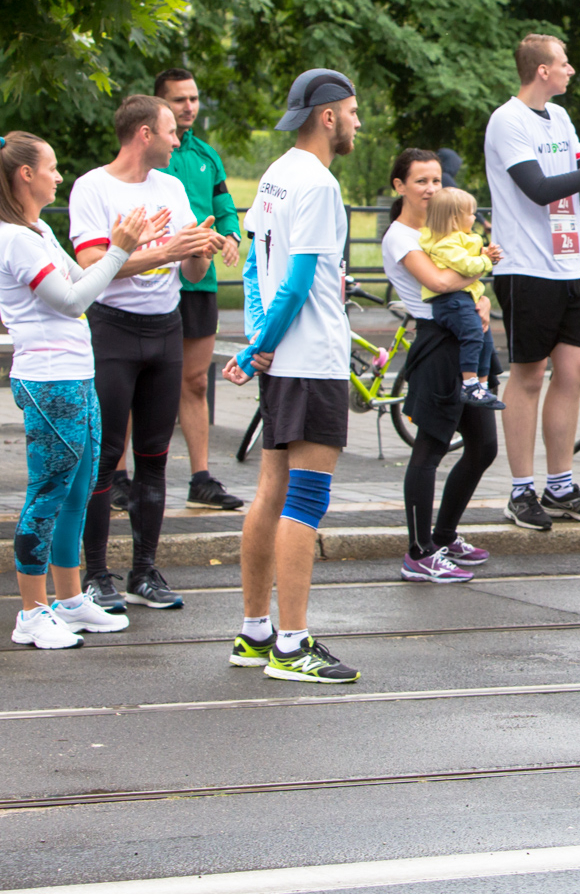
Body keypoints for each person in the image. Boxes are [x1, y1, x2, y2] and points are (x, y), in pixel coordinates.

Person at [221, 68, 363, 682]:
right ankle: (292, 644)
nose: (359, 122)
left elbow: (255, 268)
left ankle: (255, 633)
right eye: (354, 112)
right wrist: (259, 347)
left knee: (270, 491)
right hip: (312, 361)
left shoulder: (277, 173)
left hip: (286, 362)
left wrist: (259, 340)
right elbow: (301, 282)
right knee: (305, 499)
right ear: (327, 116)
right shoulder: (319, 183)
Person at [71, 95, 223, 614]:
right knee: (104, 458)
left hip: (165, 330)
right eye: (170, 132)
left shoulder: (173, 187)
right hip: (112, 332)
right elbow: (94, 266)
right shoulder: (93, 187)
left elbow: (191, 273)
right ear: (143, 134)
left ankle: (144, 570)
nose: (177, 140)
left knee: (155, 457)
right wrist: (165, 251)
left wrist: (201, 250)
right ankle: (95, 575)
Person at [0, 133, 153, 647]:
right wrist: (120, 251)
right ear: (26, 175)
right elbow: (71, 300)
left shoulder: (37, 228)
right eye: (52, 167)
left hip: (74, 374)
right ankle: (31, 612)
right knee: (47, 492)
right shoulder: (16, 239)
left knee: (80, 488)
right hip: (49, 381)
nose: (59, 176)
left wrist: (122, 250)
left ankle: (67, 601)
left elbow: (85, 279)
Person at [486, 34, 580, 530]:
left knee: (573, 370)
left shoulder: (560, 118)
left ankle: (561, 486)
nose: (571, 69)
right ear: (542, 71)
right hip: (524, 269)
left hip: (565, 265)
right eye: (564, 62)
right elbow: (537, 190)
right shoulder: (507, 120)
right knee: (528, 376)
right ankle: (519, 492)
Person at [382, 150, 500, 584]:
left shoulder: (446, 229)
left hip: (467, 342)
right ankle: (418, 552)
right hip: (437, 347)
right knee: (429, 451)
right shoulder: (401, 237)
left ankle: (445, 534)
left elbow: (465, 283)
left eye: (436, 180)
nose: (431, 189)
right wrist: (483, 274)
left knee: (484, 446)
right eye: (420, 181)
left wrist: (483, 299)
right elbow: (440, 282)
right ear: (400, 186)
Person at [157, 68, 246, 511]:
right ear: (160, 106)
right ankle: (116, 478)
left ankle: (200, 478)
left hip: (200, 284)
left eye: (193, 98)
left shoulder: (207, 156)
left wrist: (230, 236)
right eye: (179, 101)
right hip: (154, 281)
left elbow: (226, 210)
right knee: (142, 383)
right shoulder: (153, 155)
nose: (189, 107)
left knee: (194, 382)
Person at [419, 187, 504, 409]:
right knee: (473, 335)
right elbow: (466, 265)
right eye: (470, 213)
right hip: (451, 301)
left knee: (484, 339)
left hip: (463, 298)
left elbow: (468, 256)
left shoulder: (460, 239)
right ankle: (470, 384)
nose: (474, 217)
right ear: (455, 219)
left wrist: (484, 252)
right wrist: (488, 261)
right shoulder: (445, 244)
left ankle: (482, 386)